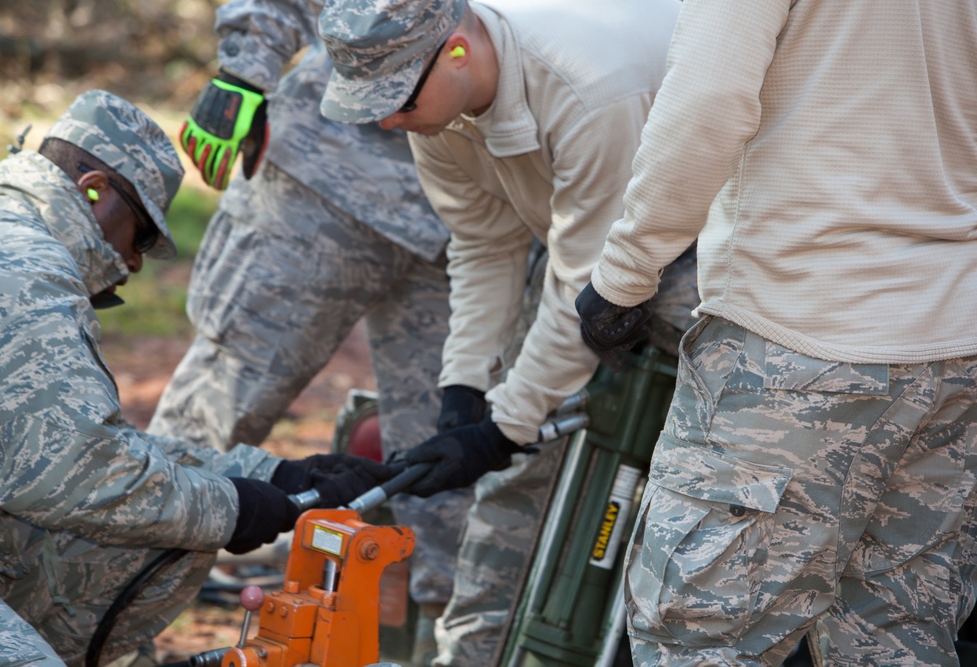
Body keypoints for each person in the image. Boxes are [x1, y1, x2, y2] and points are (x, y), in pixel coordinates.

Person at [575, 1, 977, 665]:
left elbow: (708, 98)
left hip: (798, 340)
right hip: (953, 348)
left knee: (701, 637)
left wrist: (624, 273)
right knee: (898, 638)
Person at [316, 0, 696, 664]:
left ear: (457, 48)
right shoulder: (438, 105)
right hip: (596, 247)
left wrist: (505, 427)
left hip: (713, 248)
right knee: (513, 471)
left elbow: (591, 275)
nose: (387, 118)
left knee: (689, 470)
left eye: (398, 98)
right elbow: (484, 244)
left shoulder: (589, 87)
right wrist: (465, 389)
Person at [0, 89, 393, 667]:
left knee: (158, 532)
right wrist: (236, 507)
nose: (138, 261)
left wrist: (269, 474)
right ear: (93, 190)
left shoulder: (0, 234)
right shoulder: (26, 272)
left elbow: (70, 448)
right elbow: (77, 472)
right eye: (142, 234)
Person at [145, 3, 473, 662]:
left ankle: (452, 651)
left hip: (477, 215)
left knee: (456, 469)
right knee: (207, 425)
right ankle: (97, 626)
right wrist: (245, 69)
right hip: (324, 177)